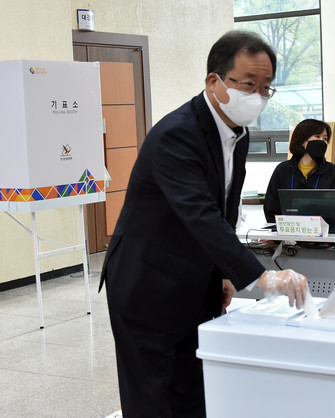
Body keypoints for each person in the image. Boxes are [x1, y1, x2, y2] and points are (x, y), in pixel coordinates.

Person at [99, 31, 309, 417]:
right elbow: (199, 214)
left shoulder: (237, 134)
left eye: (266, 88)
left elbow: (224, 209)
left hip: (193, 279)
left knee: (193, 388)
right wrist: (260, 277)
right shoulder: (176, 135)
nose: (258, 96)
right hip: (146, 282)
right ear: (214, 80)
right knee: (151, 397)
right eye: (248, 84)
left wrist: (224, 274)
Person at [263, 119, 335, 222]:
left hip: (322, 234)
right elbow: (271, 207)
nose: (322, 142)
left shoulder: (333, 172)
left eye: (325, 139)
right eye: (317, 136)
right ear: (301, 140)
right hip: (288, 233)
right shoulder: (283, 170)